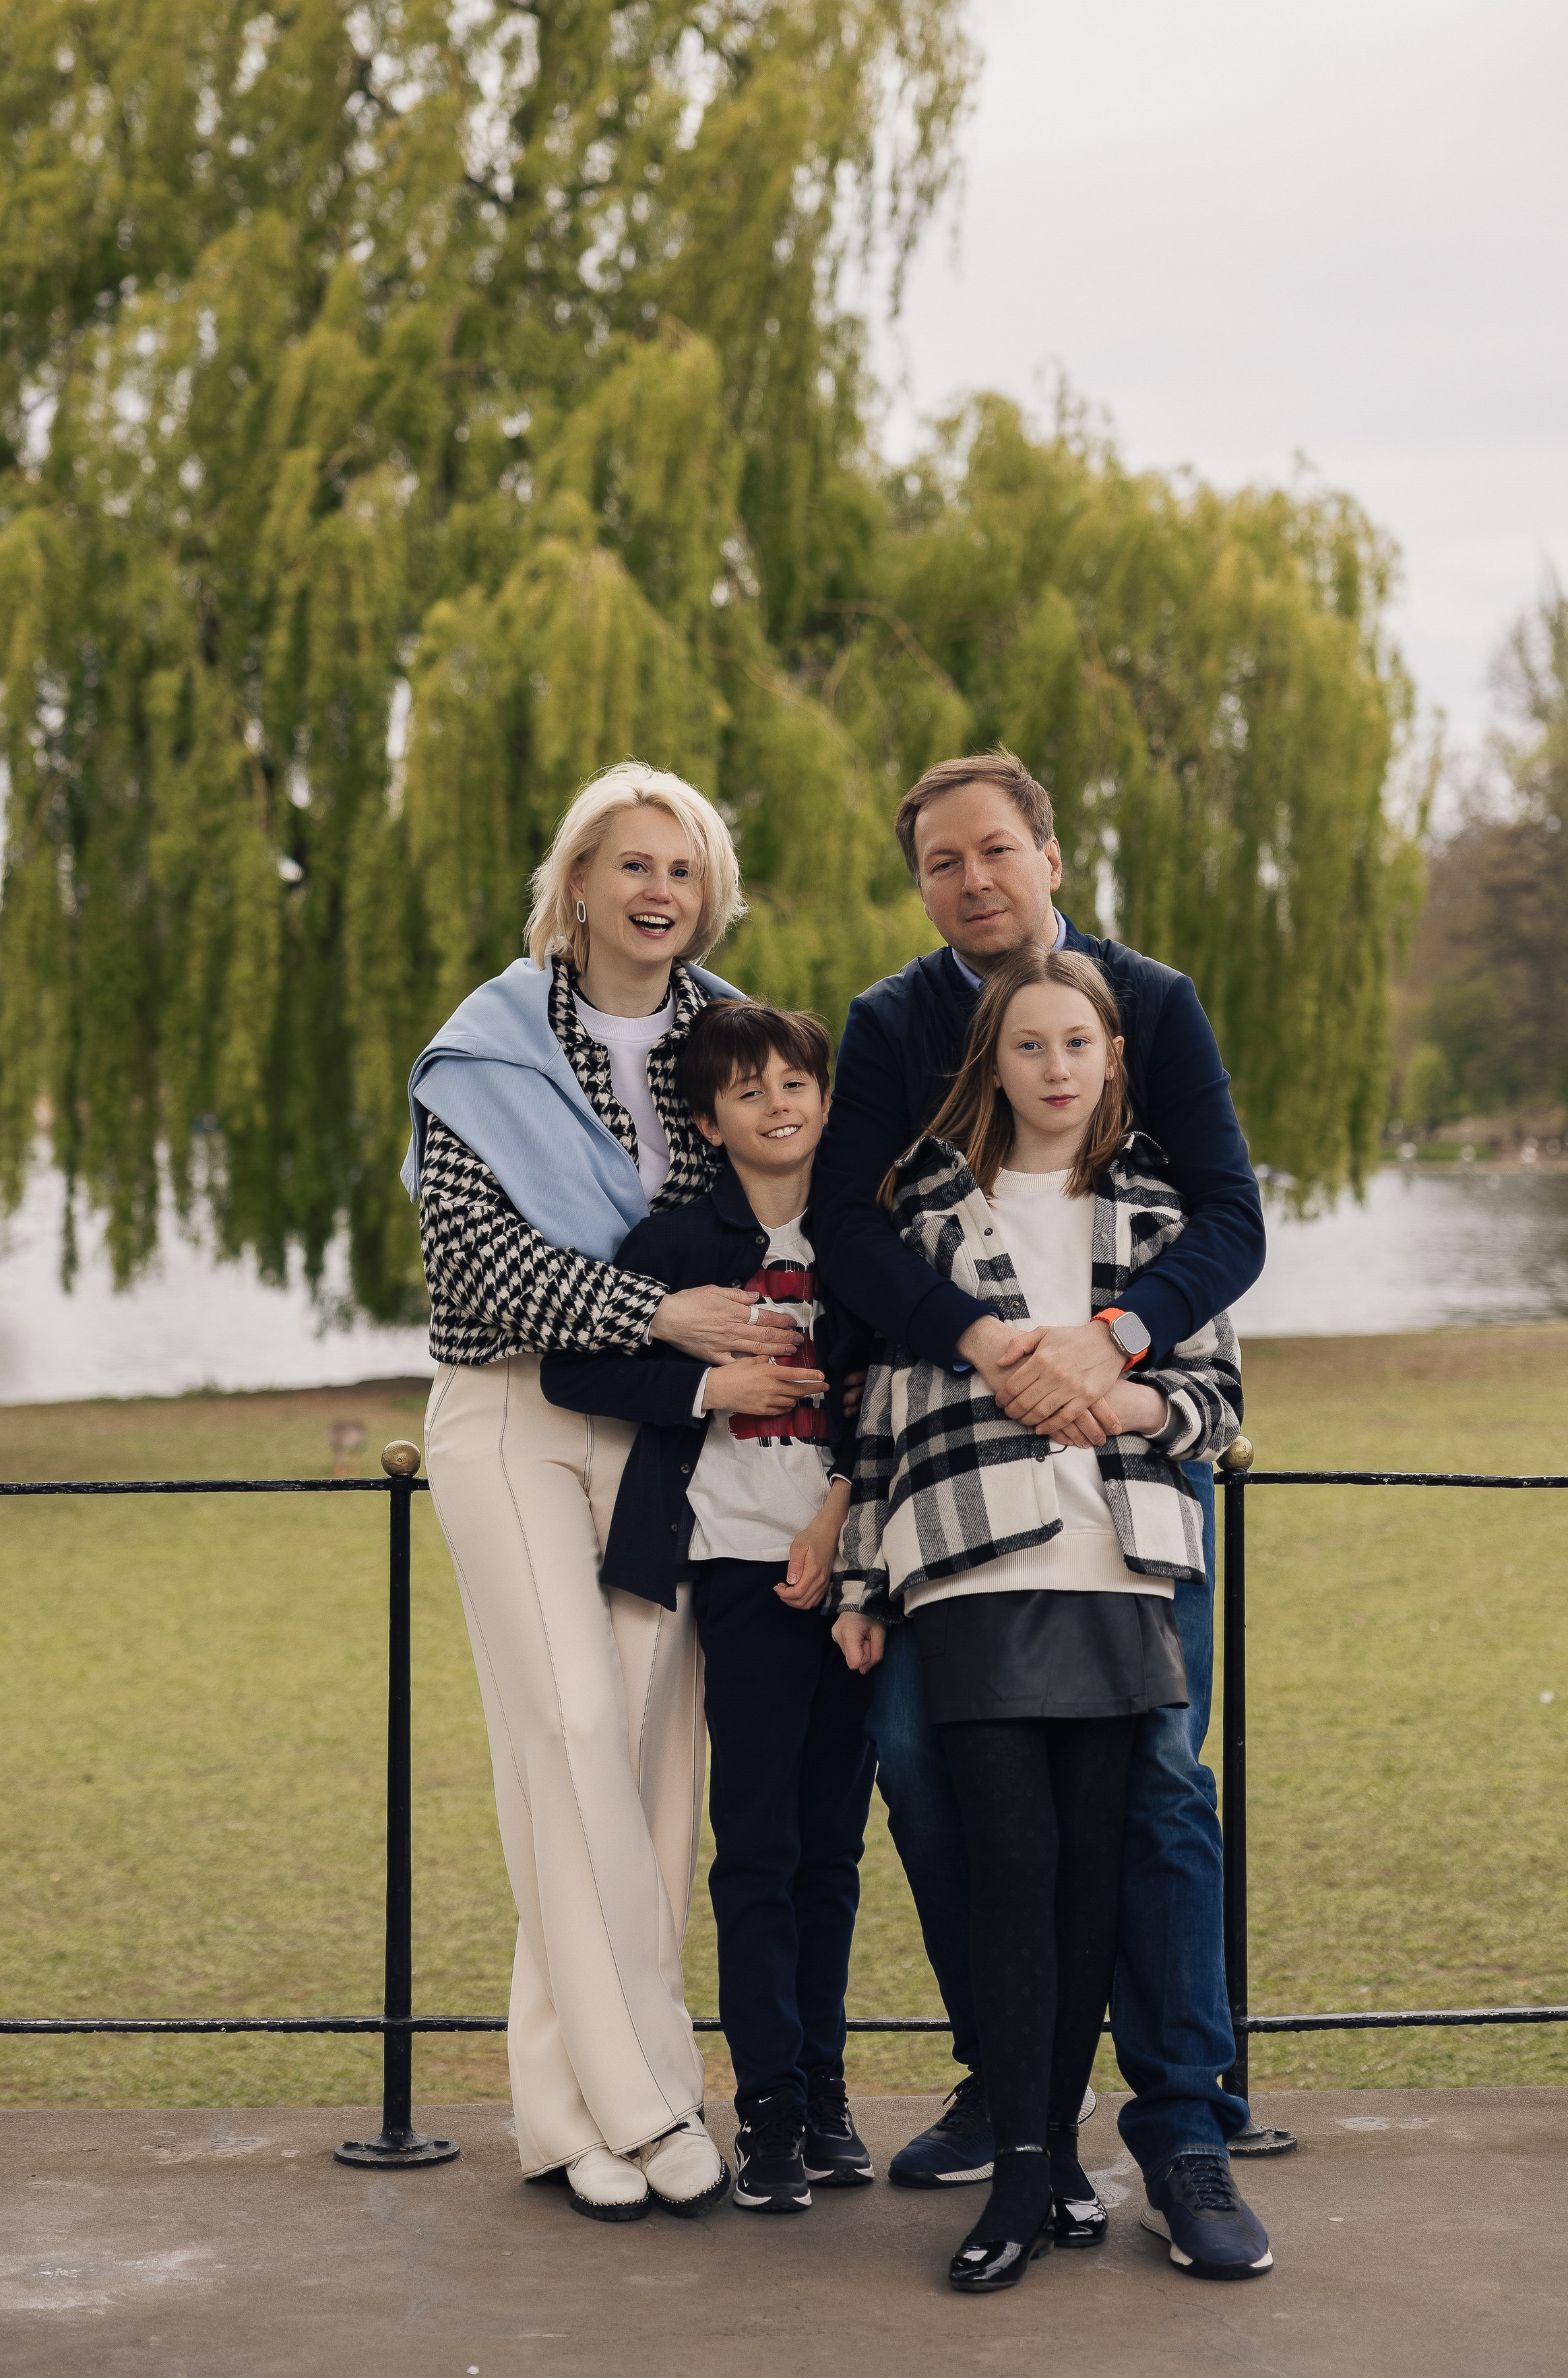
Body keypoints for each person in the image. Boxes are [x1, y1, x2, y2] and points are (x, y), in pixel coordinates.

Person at [811, 748, 1283, 2276]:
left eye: (996, 849)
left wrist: (1118, 1343)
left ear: (1051, 854)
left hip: (1130, 1474)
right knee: (921, 1769)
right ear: (921, 884)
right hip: (962, 1466)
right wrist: (988, 1344)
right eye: (941, 861)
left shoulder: (1152, 1002)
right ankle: (1019, 2091)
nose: (972, 879)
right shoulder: (890, 1027)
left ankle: (1185, 2129)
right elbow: (844, 1235)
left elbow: (1224, 1217)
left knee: (1152, 1783)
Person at [404, 762, 805, 2223]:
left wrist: (710, 1346)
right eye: (631, 865)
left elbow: (788, 1210)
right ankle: (653, 2096)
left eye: (683, 871)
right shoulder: (491, 1042)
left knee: (637, 1764)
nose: (657, 894)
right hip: (507, 1418)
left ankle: (560, 2114)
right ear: (574, 881)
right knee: (567, 1725)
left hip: (668, 1434)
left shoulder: (736, 1039)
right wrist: (662, 1314)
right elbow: (474, 1270)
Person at [540, 999, 877, 2217]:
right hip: (735, 1577)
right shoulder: (677, 1242)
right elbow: (576, 1366)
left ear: (824, 1101)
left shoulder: (863, 1233)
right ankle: (769, 2109)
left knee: (834, 1850)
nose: (778, 1104)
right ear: (709, 1119)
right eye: (749, 1091)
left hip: (854, 1575)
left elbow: (903, 1379)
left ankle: (830, 2090)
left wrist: (840, 1519)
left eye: (797, 1084)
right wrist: (707, 1384)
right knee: (760, 1845)